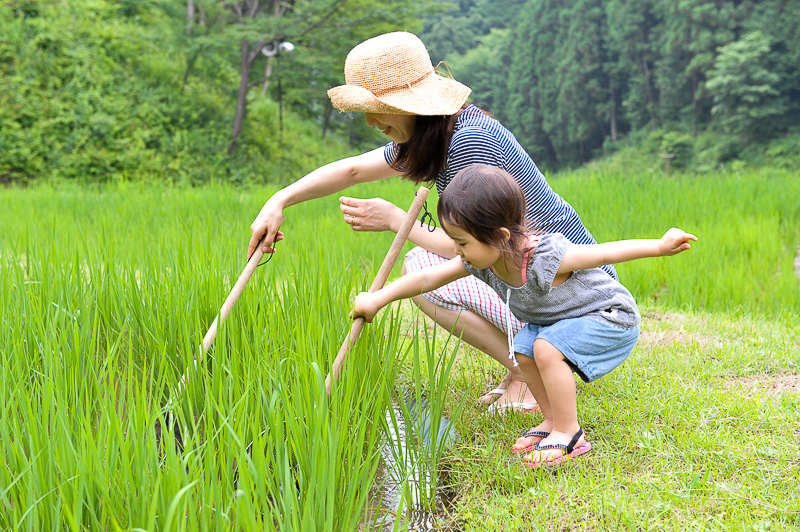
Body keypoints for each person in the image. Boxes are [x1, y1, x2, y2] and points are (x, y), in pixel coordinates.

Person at [248, 31, 615, 413]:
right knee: (422, 266)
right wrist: (279, 200)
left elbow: (477, 251)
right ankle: (522, 364)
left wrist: (395, 220)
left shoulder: (468, 143)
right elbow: (355, 170)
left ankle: (526, 372)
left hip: (577, 292)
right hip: (540, 273)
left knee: (421, 273)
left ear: (411, 104)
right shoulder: (438, 133)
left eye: (379, 107)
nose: (371, 121)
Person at [350, 165, 698, 467]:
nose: (456, 251)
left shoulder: (543, 256)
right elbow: (427, 278)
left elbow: (603, 252)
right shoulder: (481, 259)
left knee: (545, 347)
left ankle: (570, 432)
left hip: (610, 317)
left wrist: (659, 246)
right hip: (566, 322)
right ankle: (551, 420)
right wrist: (378, 299)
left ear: (500, 237)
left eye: (462, 242)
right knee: (525, 349)